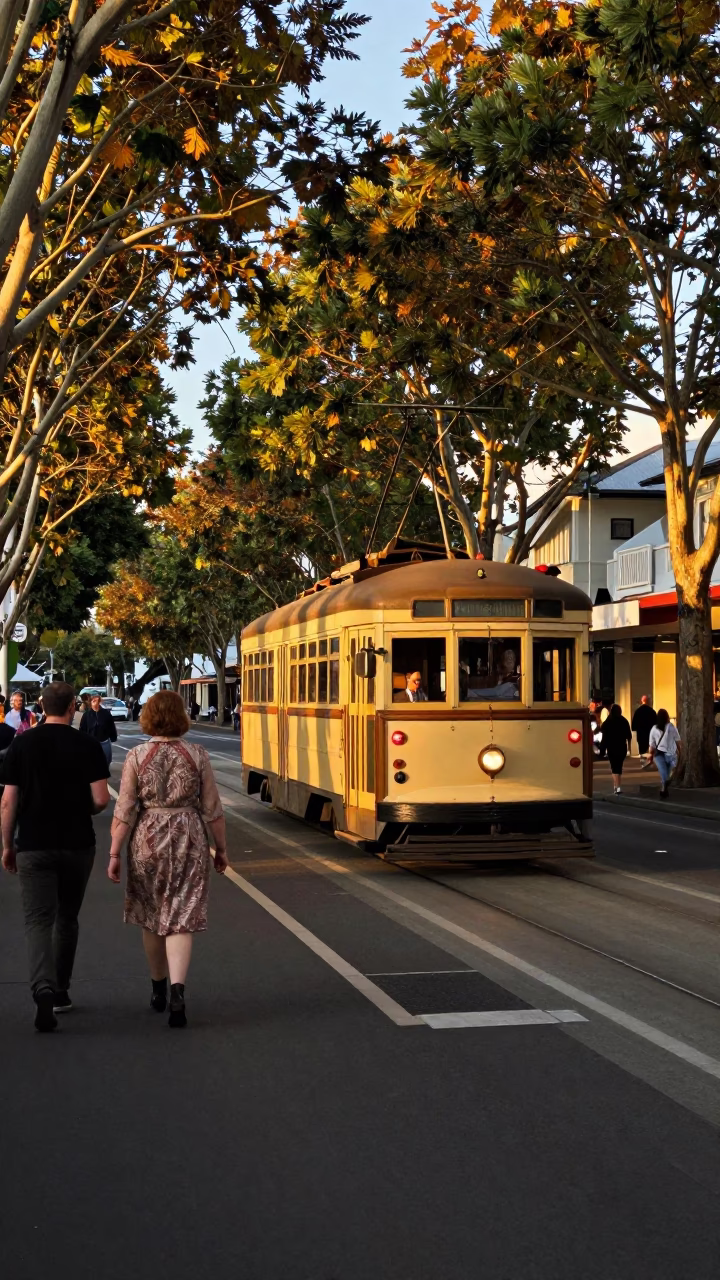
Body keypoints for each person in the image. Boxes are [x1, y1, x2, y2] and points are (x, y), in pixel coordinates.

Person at [107, 690, 227, 1028]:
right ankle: (178, 991)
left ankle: (157, 988)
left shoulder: (136, 755)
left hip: (148, 837)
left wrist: (115, 852)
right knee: (182, 913)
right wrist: (222, 849)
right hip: (189, 837)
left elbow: (125, 808)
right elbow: (213, 809)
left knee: (151, 913)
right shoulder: (198, 755)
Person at [0, 682, 110, 1031]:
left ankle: (42, 987)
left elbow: (8, 802)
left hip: (33, 844)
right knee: (67, 917)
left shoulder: (22, 744)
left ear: (42, 706)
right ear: (74, 706)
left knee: (37, 921)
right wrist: (84, 809)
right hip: (78, 844)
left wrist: (7, 845)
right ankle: (61, 990)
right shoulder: (87, 745)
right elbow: (102, 799)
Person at [648, 709, 682, 799]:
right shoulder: (671, 727)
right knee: (668, 774)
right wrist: (680, 752)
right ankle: (663, 789)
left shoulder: (654, 729)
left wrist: (650, 755)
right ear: (667, 717)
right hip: (671, 754)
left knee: (664, 773)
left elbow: (652, 745)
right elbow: (678, 741)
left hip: (658, 755)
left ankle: (663, 789)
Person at [600, 703, 632, 794]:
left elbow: (604, 735)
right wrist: (629, 749)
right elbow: (629, 736)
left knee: (614, 767)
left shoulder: (608, 721)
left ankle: (617, 787)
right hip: (622, 747)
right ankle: (617, 786)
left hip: (611, 747)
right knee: (619, 767)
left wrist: (602, 750)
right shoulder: (624, 721)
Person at [79, 692, 117, 766]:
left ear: (99, 700)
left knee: (105, 764)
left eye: (96, 697)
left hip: (104, 743)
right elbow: (82, 730)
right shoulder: (86, 715)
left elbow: (111, 726)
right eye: (92, 698)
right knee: (91, 765)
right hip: (91, 744)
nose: (94, 699)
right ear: (90, 700)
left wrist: (113, 737)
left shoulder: (106, 713)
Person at [632, 695, 656, 761]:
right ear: (648, 701)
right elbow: (655, 723)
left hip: (641, 733)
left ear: (642, 701)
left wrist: (634, 729)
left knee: (642, 748)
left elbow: (634, 724)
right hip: (649, 732)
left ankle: (642, 760)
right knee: (649, 747)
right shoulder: (652, 711)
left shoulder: (638, 711)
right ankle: (648, 761)